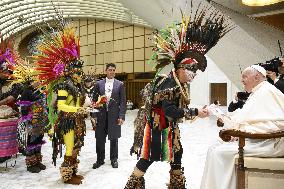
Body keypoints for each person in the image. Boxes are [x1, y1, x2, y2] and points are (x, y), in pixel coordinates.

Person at [124, 5, 232, 189]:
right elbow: (170, 111)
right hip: (158, 128)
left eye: (196, 72)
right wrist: (196, 111)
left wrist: (196, 110)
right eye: (192, 71)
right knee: (147, 159)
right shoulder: (170, 84)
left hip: (168, 128)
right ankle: (132, 185)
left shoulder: (176, 83)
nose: (194, 75)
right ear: (181, 68)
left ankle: (177, 184)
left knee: (177, 155)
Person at [200, 65, 284, 189]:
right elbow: (247, 117)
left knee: (219, 153)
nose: (242, 80)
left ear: (256, 77)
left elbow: (276, 124)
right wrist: (222, 116)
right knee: (213, 148)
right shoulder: (259, 91)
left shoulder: (267, 91)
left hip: (270, 143)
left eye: (244, 76)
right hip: (259, 140)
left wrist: (241, 131)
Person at [34, 23, 88, 185]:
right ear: (71, 72)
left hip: (77, 121)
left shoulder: (78, 86)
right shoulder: (64, 85)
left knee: (77, 148)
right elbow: (62, 106)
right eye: (78, 72)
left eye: (81, 72)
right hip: (68, 122)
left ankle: (73, 172)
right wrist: (77, 108)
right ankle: (67, 177)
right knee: (70, 148)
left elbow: (80, 102)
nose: (80, 74)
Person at [92, 63, 126, 169]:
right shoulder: (99, 84)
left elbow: (123, 102)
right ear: (106, 71)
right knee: (99, 138)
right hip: (101, 115)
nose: (112, 72)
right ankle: (100, 160)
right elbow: (94, 100)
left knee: (114, 138)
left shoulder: (120, 84)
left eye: (113, 70)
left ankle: (114, 159)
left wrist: (121, 116)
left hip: (114, 116)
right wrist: (93, 115)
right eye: (110, 70)